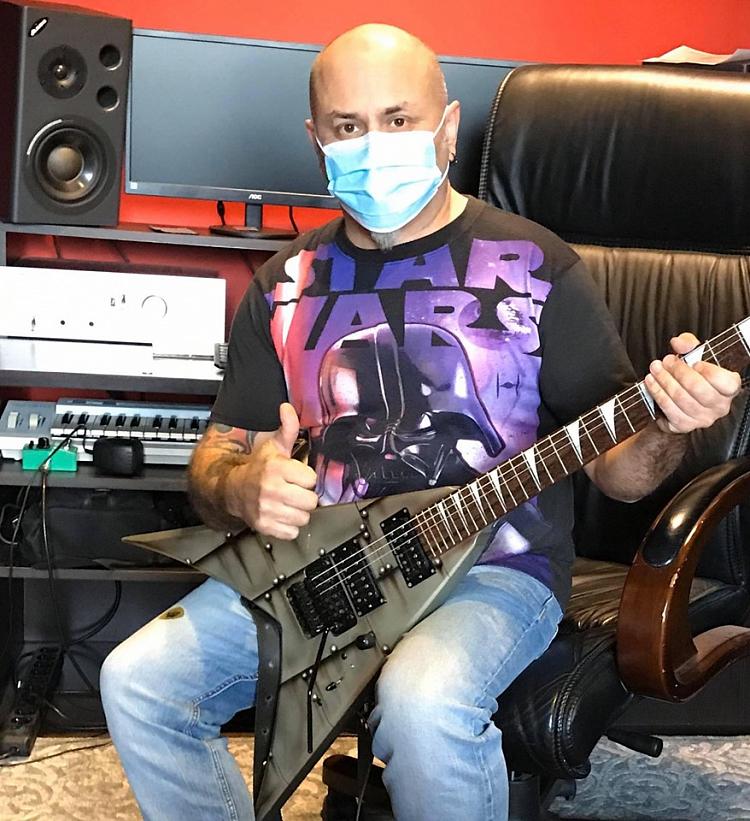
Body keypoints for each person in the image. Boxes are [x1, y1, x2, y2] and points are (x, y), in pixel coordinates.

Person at [100, 23, 741, 821]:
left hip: (497, 570)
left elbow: (621, 471)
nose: (374, 145)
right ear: (316, 139)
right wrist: (242, 485)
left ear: (447, 127)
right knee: (140, 679)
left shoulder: (538, 265)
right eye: (348, 126)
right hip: (322, 570)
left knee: (423, 699)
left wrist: (670, 422)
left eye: (398, 119)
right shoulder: (284, 283)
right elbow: (216, 458)